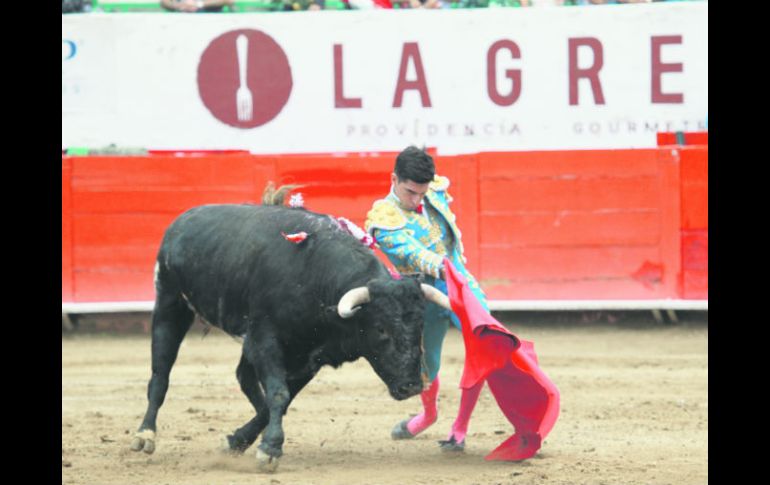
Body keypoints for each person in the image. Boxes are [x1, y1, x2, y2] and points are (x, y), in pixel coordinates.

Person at [364, 146, 488, 452]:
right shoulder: (383, 219)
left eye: (422, 192)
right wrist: (444, 269)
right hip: (424, 298)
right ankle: (429, 415)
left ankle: (459, 429)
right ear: (393, 179)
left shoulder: (435, 191)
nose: (417, 200)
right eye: (410, 193)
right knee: (425, 367)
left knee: (486, 349)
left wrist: (456, 275)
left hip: (462, 286)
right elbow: (413, 254)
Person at [160, 0, 234, 12]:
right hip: (181, 24)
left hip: (210, 24)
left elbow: (229, 1)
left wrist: (199, 4)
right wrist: (178, 6)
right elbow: (164, 2)